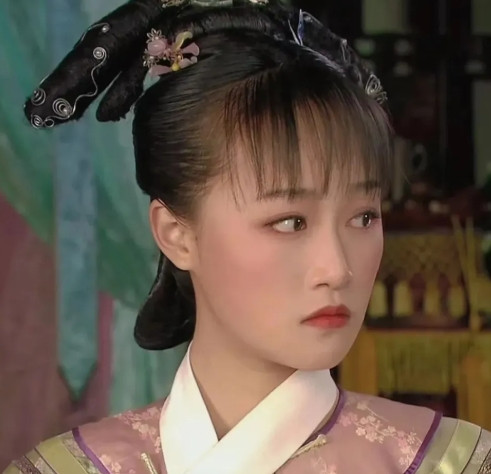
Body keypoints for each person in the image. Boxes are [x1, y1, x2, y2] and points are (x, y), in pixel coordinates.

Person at [5, 0, 491, 472]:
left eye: (364, 217)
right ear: (176, 235)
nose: (337, 268)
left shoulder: (452, 462)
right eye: (290, 221)